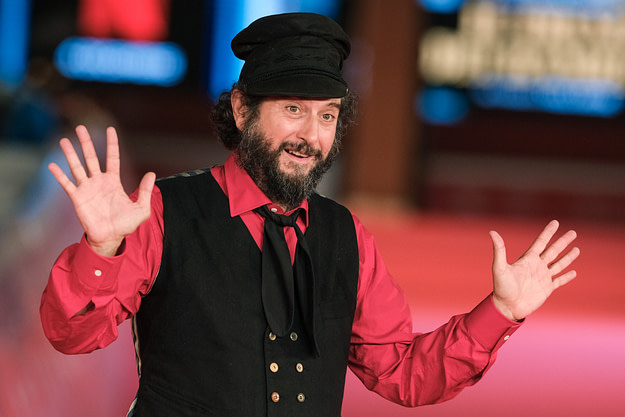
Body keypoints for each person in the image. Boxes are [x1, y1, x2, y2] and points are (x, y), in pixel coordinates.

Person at [40, 12, 580, 417]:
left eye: (327, 116)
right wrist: (102, 250)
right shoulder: (163, 213)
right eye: (293, 109)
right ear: (242, 109)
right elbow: (73, 337)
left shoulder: (349, 237)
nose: (311, 136)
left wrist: (500, 312)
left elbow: (402, 373)